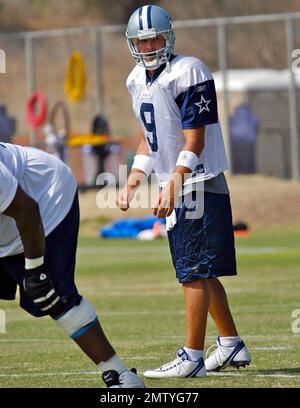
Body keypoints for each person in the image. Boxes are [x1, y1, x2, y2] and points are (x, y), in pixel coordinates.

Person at [118, 4, 251, 378]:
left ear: (168, 36)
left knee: (192, 271)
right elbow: (151, 140)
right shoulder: (135, 79)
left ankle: (191, 357)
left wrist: (174, 182)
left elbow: (195, 139)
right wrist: (134, 178)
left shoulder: (188, 71)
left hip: (198, 180)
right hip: (178, 180)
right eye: (140, 42)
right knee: (202, 271)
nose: (147, 48)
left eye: (154, 39)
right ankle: (231, 344)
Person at [0, 142, 144, 388]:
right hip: (12, 217)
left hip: (46, 197)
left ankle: (120, 376)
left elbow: (27, 211)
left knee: (49, 293)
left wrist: (35, 269)